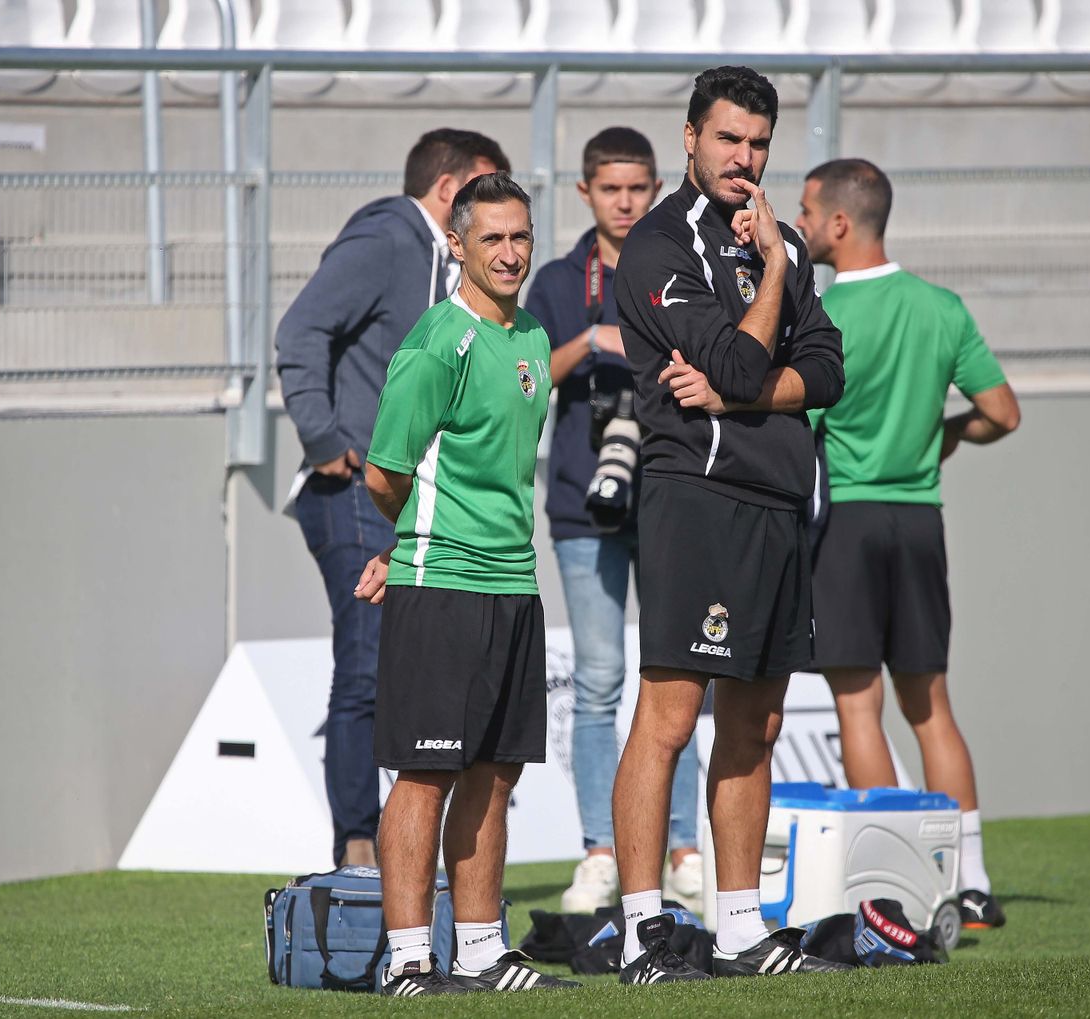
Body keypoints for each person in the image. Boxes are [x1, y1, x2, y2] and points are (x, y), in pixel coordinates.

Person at [608, 65, 848, 983]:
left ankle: (741, 926)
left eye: (758, 144)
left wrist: (750, 386)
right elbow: (743, 362)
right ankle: (641, 929)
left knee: (759, 715)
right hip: (696, 501)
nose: (744, 159)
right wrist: (774, 301)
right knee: (670, 717)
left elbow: (826, 370)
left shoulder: (781, 236)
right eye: (727, 139)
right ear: (690, 138)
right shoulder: (658, 246)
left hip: (781, 505)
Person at [354, 173, 577, 996]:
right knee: (426, 771)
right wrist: (412, 539)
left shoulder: (528, 341)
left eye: (521, 236)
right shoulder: (435, 342)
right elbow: (385, 472)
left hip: (515, 584)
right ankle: (409, 957)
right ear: (458, 244)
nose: (512, 253)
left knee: (493, 771)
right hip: (442, 584)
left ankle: (483, 949)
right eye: (493, 239)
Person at [795, 157, 1022, 930]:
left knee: (859, 709)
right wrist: (947, 433)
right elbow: (1003, 412)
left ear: (839, 223)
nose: (799, 225)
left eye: (805, 211)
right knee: (931, 707)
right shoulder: (940, 306)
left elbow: (805, 430)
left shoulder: (821, 318)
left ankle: (897, 885)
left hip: (849, 523)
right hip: (920, 519)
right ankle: (976, 884)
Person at [276, 129, 508, 869]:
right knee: (367, 666)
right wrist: (325, 439)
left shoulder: (447, 260)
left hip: (414, 493)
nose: (496, 211)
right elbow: (299, 329)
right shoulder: (386, 237)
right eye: (484, 190)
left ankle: (402, 851)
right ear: (449, 192)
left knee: (406, 667)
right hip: (351, 485)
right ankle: (357, 846)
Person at [523, 127, 704, 915]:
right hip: (580, 499)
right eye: (611, 188)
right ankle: (600, 849)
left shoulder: (681, 266)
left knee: (678, 675)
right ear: (585, 192)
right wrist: (590, 340)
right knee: (597, 683)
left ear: (657, 187)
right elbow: (527, 378)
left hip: (670, 490)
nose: (626, 202)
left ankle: (684, 849)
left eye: (639, 188)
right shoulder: (561, 279)